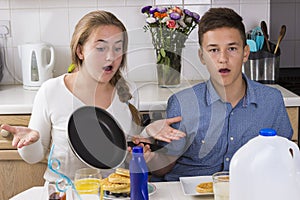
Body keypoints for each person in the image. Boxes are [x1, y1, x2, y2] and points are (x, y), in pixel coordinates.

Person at [0, 10, 185, 182]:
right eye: (101, 48)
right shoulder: (51, 91)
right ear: (80, 51)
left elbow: (124, 151)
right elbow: (34, 157)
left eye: (118, 48)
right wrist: (29, 142)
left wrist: (144, 143)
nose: (111, 57)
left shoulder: (128, 90)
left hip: (113, 191)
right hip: (67, 193)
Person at [143, 7, 293, 182]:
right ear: (201, 56)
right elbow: (163, 167)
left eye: (232, 49)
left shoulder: (271, 101)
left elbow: (285, 159)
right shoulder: (182, 102)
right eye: (213, 50)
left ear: (245, 53)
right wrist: (149, 160)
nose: (223, 58)